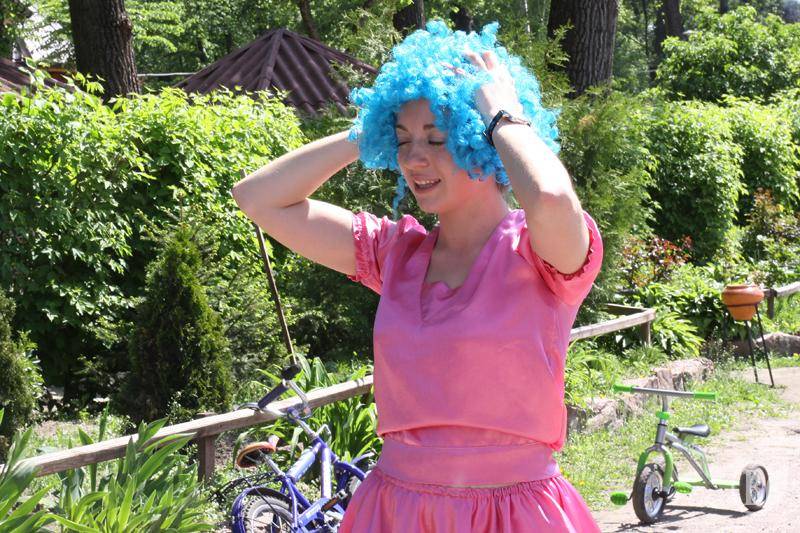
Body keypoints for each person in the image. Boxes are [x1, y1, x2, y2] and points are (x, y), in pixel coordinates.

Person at [232, 21, 602, 533]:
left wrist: (501, 112)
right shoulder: (396, 254)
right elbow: (257, 199)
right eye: (402, 140)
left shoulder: (539, 254)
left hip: (512, 516)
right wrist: (368, 131)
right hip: (397, 512)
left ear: (482, 140)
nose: (412, 158)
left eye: (436, 138)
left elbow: (552, 196)